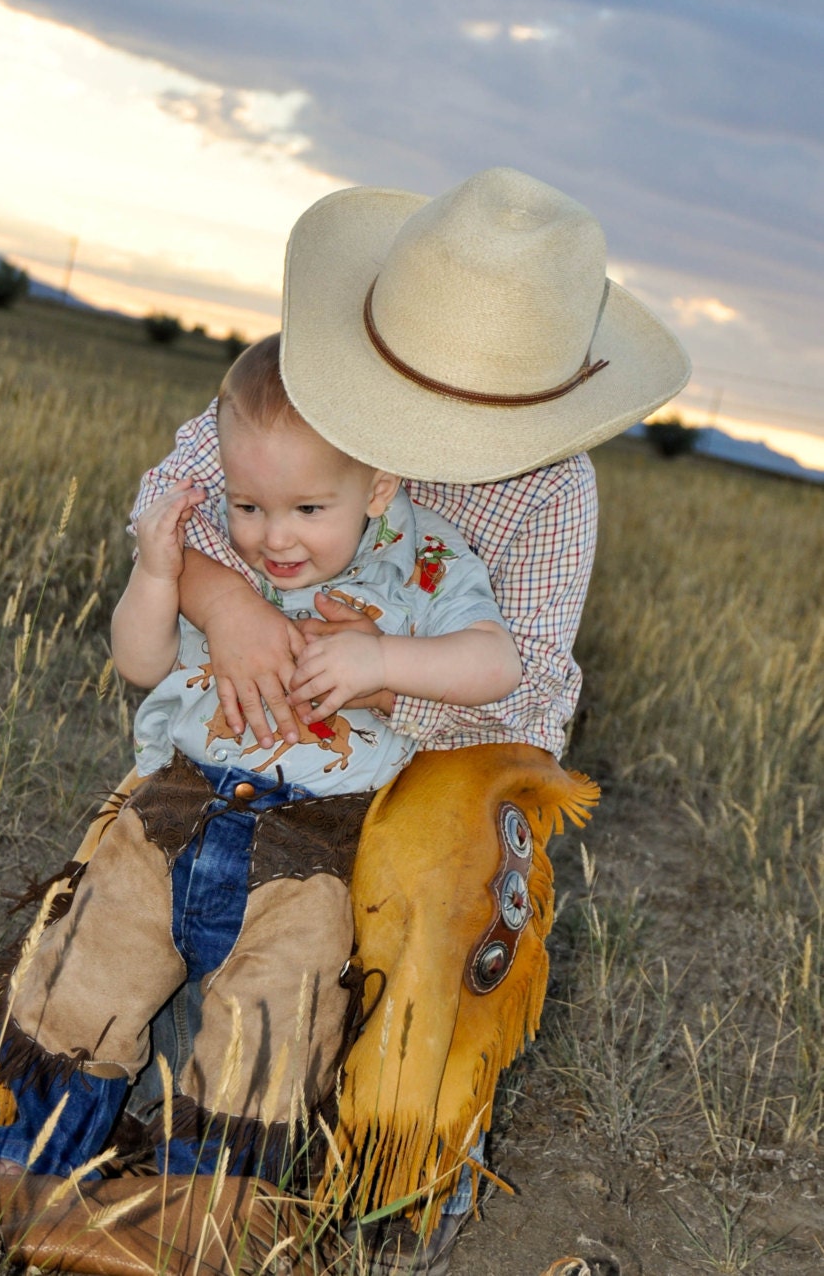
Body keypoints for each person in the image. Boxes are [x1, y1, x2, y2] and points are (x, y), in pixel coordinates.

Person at [121, 165, 690, 1267]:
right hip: (279, 702)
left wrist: (382, 673)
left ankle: (401, 1170)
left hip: (455, 736)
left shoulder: (552, 488)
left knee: (429, 887)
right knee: (174, 841)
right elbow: (169, 502)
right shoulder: (304, 383)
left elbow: (519, 691)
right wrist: (223, 595)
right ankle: (179, 1112)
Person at [0, 333, 521, 1182]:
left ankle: (210, 1196)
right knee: (86, 966)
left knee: (273, 1020)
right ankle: (23, 1155)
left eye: (307, 510)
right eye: (249, 505)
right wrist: (157, 577)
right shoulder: (222, 550)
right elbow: (141, 664)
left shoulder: (428, 560)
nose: (274, 538)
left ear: (377, 487)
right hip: (176, 808)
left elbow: (497, 663)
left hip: (318, 842)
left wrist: (382, 663)